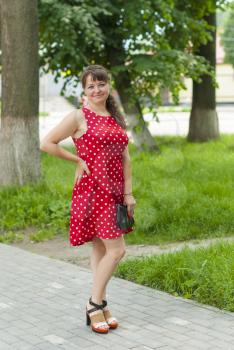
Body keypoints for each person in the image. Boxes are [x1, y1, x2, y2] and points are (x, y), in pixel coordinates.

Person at [40, 64, 136, 334]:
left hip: (116, 191)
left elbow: (125, 158)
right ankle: (94, 304)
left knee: (102, 248)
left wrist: (128, 193)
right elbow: (47, 143)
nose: (97, 89)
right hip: (93, 191)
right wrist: (77, 160)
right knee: (117, 250)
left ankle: (101, 303)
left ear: (108, 85)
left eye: (101, 84)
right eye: (91, 86)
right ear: (84, 90)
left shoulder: (115, 117)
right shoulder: (79, 116)